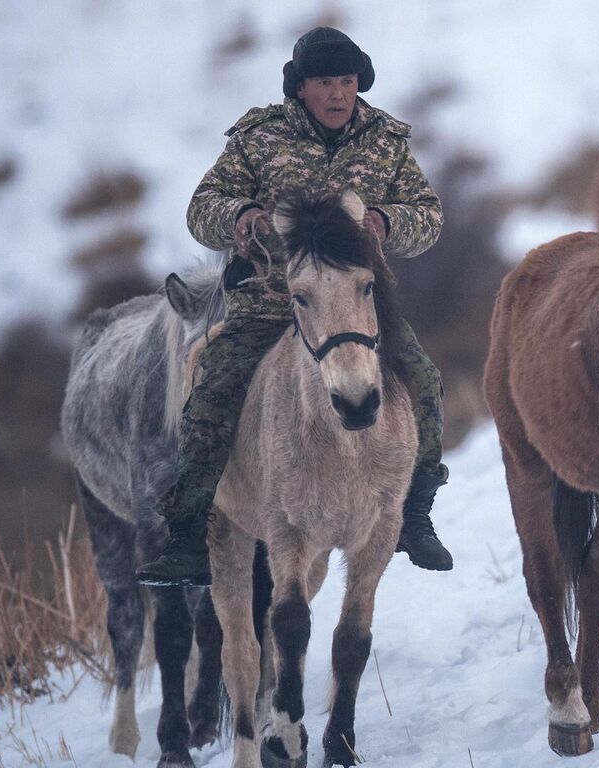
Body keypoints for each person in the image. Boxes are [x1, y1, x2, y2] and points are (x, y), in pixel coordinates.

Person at [136, 26, 453, 586]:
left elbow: (427, 214)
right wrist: (238, 217)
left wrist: (385, 222)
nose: (338, 94)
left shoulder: (385, 141)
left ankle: (415, 514)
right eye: (325, 82)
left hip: (356, 313)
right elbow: (201, 206)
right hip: (267, 305)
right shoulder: (258, 138)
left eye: (348, 82)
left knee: (424, 383)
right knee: (213, 391)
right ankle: (187, 532)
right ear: (301, 87)